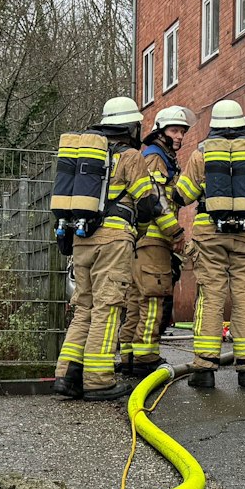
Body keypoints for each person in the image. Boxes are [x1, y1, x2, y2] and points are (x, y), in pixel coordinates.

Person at [173, 99, 245, 389]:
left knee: (211, 297)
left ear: (215, 126)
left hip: (209, 233)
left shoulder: (201, 155)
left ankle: (205, 369)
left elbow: (182, 195)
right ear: (240, 126)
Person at [54, 97, 149, 400]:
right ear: (132, 126)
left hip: (82, 237)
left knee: (84, 308)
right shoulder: (131, 156)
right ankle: (98, 380)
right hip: (113, 239)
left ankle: (66, 375)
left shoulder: (88, 157)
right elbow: (146, 202)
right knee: (108, 308)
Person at [119, 105, 192, 376]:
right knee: (153, 297)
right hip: (154, 238)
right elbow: (156, 199)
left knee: (137, 298)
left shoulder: (161, 157)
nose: (180, 136)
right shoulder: (155, 158)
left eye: (183, 131)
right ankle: (146, 357)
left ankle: (128, 356)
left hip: (146, 239)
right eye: (175, 130)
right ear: (160, 131)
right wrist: (176, 233)